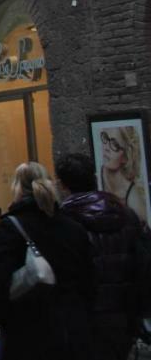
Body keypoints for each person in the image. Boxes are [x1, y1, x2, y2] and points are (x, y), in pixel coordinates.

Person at [0, 161, 95, 360]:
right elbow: (88, 281)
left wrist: (5, 323)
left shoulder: (11, 227)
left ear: (18, 187)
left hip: (26, 330)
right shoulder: (73, 227)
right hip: (71, 331)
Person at [56, 151, 148, 360]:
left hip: (83, 319)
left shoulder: (63, 222)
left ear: (62, 185)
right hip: (123, 316)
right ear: (94, 177)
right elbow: (142, 264)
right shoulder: (127, 215)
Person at [99, 125, 148, 225]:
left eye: (115, 145)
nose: (106, 148)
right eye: (105, 138)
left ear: (126, 157)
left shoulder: (134, 201)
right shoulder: (95, 176)